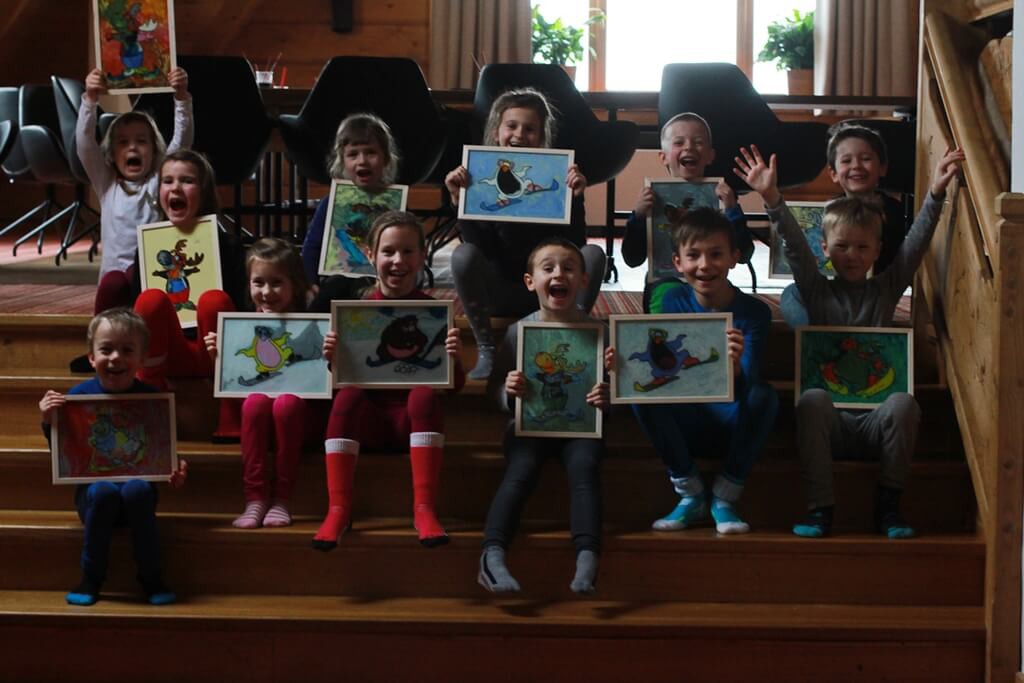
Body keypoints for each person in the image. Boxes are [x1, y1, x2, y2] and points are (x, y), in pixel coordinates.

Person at [735, 143, 965, 539]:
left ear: (877, 250)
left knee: (904, 403)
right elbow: (794, 246)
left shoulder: (885, 290)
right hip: (832, 424)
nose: (852, 256)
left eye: (862, 247)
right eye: (841, 247)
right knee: (811, 400)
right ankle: (820, 508)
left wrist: (935, 193)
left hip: (877, 424)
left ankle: (889, 507)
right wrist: (771, 198)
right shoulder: (816, 290)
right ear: (825, 250)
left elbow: (914, 246)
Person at [312, 211, 464, 550]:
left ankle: (424, 509)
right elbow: (339, 383)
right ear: (371, 255)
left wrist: (453, 359)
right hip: (368, 424)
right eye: (389, 251)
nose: (398, 260)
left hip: (412, 424)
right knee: (348, 395)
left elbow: (453, 387)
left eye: (408, 251)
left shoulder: (435, 314)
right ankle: (338, 510)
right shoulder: (355, 313)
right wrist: (334, 360)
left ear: (422, 257)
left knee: (424, 395)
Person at [621, 207, 777, 534]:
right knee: (637, 392)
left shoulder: (754, 313)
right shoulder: (671, 300)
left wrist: (734, 366)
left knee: (765, 396)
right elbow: (660, 368)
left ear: (734, 257)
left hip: (730, 417)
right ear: (677, 262)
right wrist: (622, 364)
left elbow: (749, 383)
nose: (705, 265)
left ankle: (725, 495)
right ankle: (689, 491)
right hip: (685, 414)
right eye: (693, 255)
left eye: (716, 254)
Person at [478, 237, 611, 595]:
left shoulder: (600, 334)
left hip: (580, 428)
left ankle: (587, 557)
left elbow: (616, 392)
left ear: (583, 280)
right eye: (548, 268)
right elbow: (493, 390)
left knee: (584, 468)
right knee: (520, 471)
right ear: (530, 281)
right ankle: (492, 555)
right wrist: (508, 392)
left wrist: (609, 395)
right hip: (528, 426)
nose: (559, 274)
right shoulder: (518, 333)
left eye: (569, 268)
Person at [445, 88, 607, 379]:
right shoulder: (480, 179)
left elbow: (574, 248)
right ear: (496, 132)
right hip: (498, 290)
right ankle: (486, 348)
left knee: (593, 254)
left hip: (549, 293)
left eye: (530, 129)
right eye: (512, 126)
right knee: (462, 255)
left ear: (542, 136)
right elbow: (479, 247)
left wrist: (576, 199)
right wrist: (461, 202)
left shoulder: (554, 179)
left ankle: (575, 330)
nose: (519, 134)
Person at [39, 308, 188, 606]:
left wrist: (176, 467)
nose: (115, 358)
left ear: (142, 359)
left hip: (137, 498)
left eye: (127, 350)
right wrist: (48, 420)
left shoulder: (152, 399)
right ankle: (91, 578)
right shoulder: (77, 398)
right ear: (91, 357)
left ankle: (151, 578)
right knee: (103, 491)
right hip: (94, 500)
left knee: (137, 489)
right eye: (106, 349)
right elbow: (65, 454)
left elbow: (160, 450)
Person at [204, 238, 325, 528]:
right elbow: (235, 388)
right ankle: (255, 499)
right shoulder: (241, 329)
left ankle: (282, 499)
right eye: (258, 282)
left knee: (286, 403)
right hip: (257, 419)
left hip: (297, 419)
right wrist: (219, 358)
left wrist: (330, 356)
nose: (267, 292)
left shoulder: (312, 325)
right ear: (248, 285)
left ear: (295, 284)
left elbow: (318, 383)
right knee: (256, 402)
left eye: (277, 283)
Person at [132, 150, 246, 439]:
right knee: (149, 299)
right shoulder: (145, 248)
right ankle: (149, 402)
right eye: (167, 181)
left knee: (214, 300)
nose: (176, 188)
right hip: (165, 355)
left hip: (215, 354)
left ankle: (230, 408)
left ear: (204, 191)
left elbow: (242, 308)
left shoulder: (229, 246)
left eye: (187, 180)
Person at [77, 66, 194, 311]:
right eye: (123, 142)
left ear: (154, 150)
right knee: (115, 283)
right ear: (111, 153)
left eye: (141, 141)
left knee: (136, 276)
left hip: (149, 279)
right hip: (113, 284)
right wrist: (90, 99)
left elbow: (182, 140)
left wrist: (181, 97)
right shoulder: (107, 184)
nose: (132, 148)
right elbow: (85, 144)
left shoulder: (159, 180)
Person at [622, 112, 754, 313]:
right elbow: (632, 259)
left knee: (746, 308)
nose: (689, 147)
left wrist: (732, 210)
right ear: (663, 157)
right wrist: (638, 217)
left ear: (710, 155)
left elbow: (744, 254)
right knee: (668, 298)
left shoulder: (723, 199)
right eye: (679, 142)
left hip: (711, 281)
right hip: (665, 281)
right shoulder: (652, 200)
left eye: (698, 142)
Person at [780, 122, 910, 327]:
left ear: (882, 168)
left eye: (866, 159)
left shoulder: (894, 212)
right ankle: (815, 336)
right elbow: (800, 249)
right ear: (833, 173)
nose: (856, 166)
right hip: (833, 291)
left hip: (875, 293)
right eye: (847, 160)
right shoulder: (830, 210)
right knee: (791, 293)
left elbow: (903, 260)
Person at [300, 113, 402, 308]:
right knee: (336, 286)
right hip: (336, 281)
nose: (362, 161)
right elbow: (312, 248)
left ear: (386, 158)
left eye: (370, 152)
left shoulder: (395, 204)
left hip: (382, 281)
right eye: (353, 154)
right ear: (342, 161)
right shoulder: (331, 203)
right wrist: (310, 284)